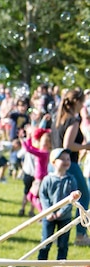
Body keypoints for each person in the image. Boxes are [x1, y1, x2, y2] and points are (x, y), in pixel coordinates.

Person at [52, 87, 90, 246]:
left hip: (55, 163)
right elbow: (68, 145)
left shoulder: (59, 118)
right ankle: (81, 235)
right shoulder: (73, 121)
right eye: (83, 102)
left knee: (59, 201)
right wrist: (86, 147)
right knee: (84, 196)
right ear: (77, 102)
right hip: (69, 163)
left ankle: (52, 236)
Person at [35, 148, 77, 267]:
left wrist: (61, 212)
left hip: (65, 218)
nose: (66, 162)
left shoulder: (71, 180)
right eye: (62, 159)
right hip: (49, 218)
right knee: (45, 241)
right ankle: (39, 266)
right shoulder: (48, 179)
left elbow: (73, 199)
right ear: (53, 162)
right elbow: (43, 196)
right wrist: (49, 212)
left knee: (63, 244)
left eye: (68, 159)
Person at [22, 127, 52, 214]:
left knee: (34, 196)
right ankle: (42, 212)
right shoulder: (42, 152)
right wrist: (29, 138)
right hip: (38, 177)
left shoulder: (44, 154)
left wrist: (23, 141)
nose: (42, 145)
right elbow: (31, 147)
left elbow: (29, 149)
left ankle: (43, 212)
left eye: (45, 144)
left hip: (40, 178)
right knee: (30, 196)